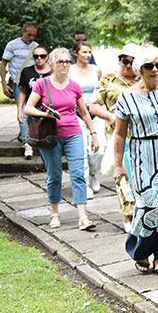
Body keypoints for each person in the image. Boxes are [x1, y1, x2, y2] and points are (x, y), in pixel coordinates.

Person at [113, 47, 158, 275]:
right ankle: (140, 251)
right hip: (143, 155)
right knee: (147, 205)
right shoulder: (127, 96)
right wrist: (118, 166)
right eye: (149, 66)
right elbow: (119, 133)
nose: (155, 70)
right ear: (139, 70)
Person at [23, 47, 98, 231]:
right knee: (54, 175)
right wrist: (46, 114)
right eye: (60, 61)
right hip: (51, 136)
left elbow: (84, 112)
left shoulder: (74, 86)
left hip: (73, 133)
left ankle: (83, 216)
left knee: (78, 175)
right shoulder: (43, 84)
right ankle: (55, 213)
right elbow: (28, 108)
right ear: (52, 64)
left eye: (67, 61)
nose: (64, 65)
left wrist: (93, 134)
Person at [90, 45, 140, 231]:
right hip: (118, 136)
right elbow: (94, 105)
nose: (128, 65)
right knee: (123, 175)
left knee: (139, 175)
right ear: (119, 60)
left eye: (132, 61)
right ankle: (128, 215)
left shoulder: (142, 78)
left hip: (140, 134)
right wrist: (111, 117)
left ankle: (141, 212)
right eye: (125, 60)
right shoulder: (108, 79)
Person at [69, 42, 104, 194]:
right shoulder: (69, 70)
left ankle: (92, 174)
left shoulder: (97, 70)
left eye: (89, 52)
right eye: (84, 52)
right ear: (75, 53)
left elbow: (102, 91)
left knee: (99, 149)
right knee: (82, 150)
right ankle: (85, 185)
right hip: (76, 114)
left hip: (95, 113)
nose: (87, 55)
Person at [0, 21, 38, 144]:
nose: (31, 38)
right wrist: (4, 84)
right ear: (22, 32)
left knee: (31, 111)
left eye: (34, 35)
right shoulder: (12, 45)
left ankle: (24, 134)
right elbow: (3, 64)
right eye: (29, 35)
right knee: (23, 110)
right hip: (17, 84)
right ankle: (27, 142)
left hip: (32, 84)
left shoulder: (36, 46)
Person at [16, 45, 53, 158]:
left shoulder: (53, 71)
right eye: (36, 56)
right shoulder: (27, 71)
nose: (39, 59)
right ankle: (27, 144)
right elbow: (22, 91)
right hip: (31, 103)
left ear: (47, 57)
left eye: (42, 56)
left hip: (48, 104)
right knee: (24, 117)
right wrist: (19, 109)